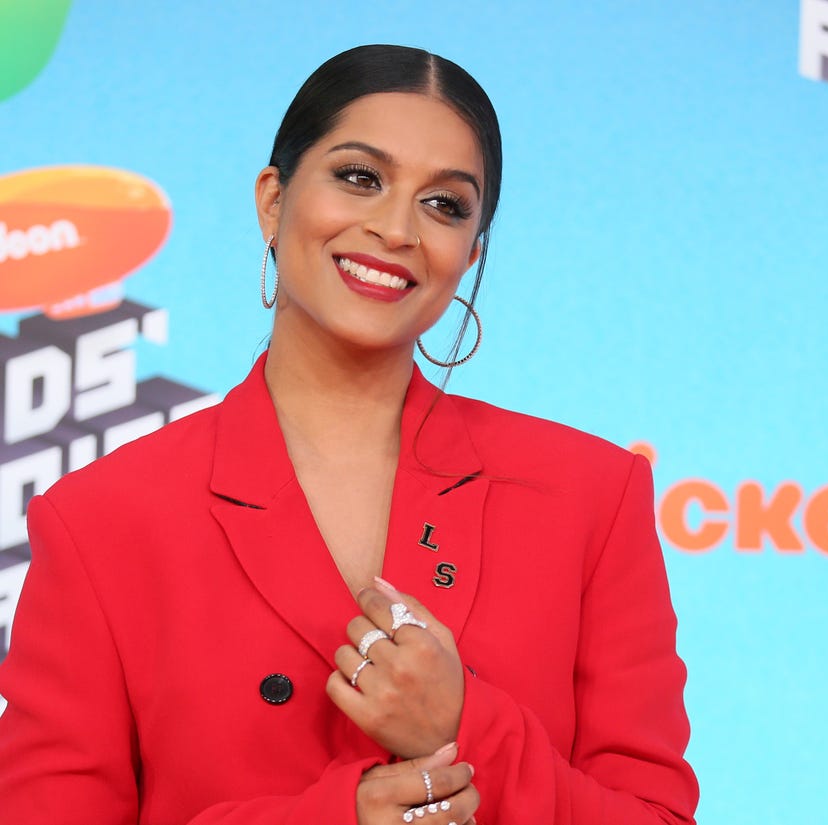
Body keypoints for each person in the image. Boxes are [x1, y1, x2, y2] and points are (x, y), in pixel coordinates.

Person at [0, 45, 698, 824]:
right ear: (273, 200)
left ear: (472, 253)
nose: (396, 228)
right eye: (360, 177)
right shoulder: (102, 520)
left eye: (445, 205)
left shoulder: (591, 496)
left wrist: (467, 726)